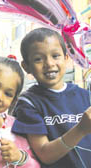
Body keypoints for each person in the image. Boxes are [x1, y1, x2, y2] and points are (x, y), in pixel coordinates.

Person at [11, 27, 91, 168]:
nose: (49, 63)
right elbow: (44, 154)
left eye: (55, 56)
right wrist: (81, 129)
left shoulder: (85, 96)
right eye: (38, 59)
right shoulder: (28, 103)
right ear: (26, 66)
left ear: (66, 59)